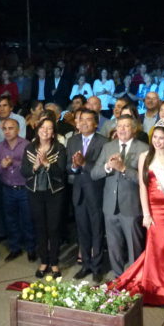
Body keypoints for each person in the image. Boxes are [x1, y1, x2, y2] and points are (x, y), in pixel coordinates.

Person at [113, 122, 164, 311]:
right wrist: (146, 213)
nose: (158, 141)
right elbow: (142, 186)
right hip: (153, 209)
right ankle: (155, 290)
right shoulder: (145, 156)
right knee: (155, 249)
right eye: (155, 137)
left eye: (161, 138)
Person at [91, 115, 149, 277]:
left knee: (134, 247)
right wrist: (108, 166)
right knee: (113, 247)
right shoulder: (108, 147)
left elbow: (145, 180)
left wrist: (124, 168)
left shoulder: (144, 148)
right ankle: (118, 279)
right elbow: (95, 173)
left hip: (131, 206)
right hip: (110, 206)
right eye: (120, 126)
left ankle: (135, 280)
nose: (122, 129)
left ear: (134, 129)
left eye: (127, 126)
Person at [22, 115, 68, 279]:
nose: (45, 131)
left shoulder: (60, 148)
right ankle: (44, 261)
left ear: (54, 133)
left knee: (54, 228)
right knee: (40, 227)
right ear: (37, 130)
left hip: (54, 193)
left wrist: (47, 163)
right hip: (35, 193)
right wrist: (35, 166)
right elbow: (24, 172)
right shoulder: (29, 148)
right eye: (42, 128)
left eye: (49, 128)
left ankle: (54, 262)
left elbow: (61, 172)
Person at [66, 108, 107, 282]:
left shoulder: (104, 142)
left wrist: (84, 163)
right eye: (81, 119)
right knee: (82, 231)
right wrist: (75, 166)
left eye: (88, 119)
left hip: (96, 192)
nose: (83, 122)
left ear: (96, 123)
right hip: (78, 192)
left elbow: (101, 170)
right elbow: (68, 167)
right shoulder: (73, 140)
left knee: (96, 231)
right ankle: (86, 265)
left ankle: (97, 267)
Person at [0, 118, 34, 262]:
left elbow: (31, 167)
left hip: (24, 188)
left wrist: (13, 163)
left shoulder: (27, 145)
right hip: (7, 188)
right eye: (5, 128)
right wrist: (2, 166)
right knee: (10, 220)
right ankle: (14, 248)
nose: (7, 131)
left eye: (11, 128)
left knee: (27, 220)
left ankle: (31, 248)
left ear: (17, 130)